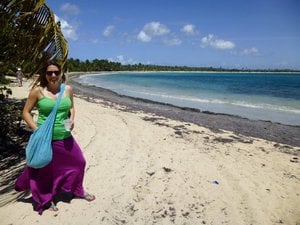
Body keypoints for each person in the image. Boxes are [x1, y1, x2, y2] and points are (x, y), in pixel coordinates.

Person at [15, 60, 95, 214]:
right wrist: (36, 129)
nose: (53, 75)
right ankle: (46, 199)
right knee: (45, 171)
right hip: (46, 139)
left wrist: (72, 120)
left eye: (56, 72)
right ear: (45, 74)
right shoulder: (38, 91)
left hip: (65, 137)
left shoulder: (68, 90)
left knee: (79, 162)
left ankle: (77, 190)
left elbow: (71, 107)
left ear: (61, 74)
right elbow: (25, 112)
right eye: (49, 72)